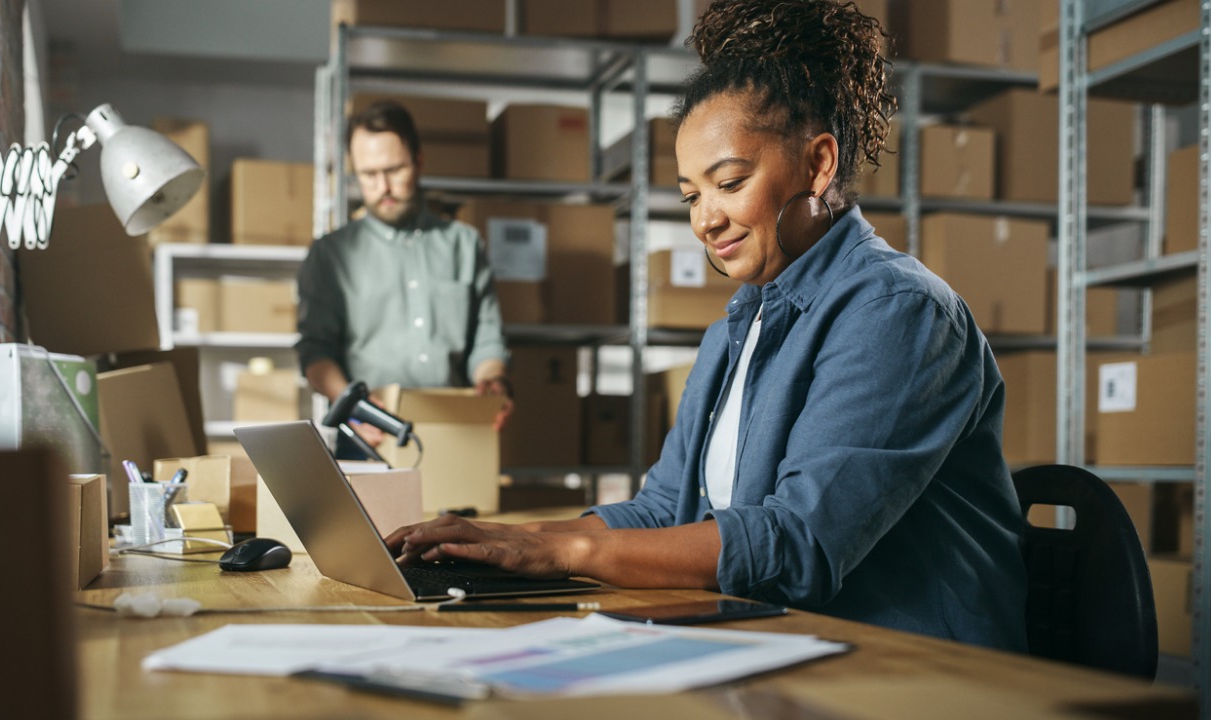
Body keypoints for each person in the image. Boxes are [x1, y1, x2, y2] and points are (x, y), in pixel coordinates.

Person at [386, 0, 1028, 652]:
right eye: (692, 195)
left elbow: (797, 544)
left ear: (819, 164)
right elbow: (665, 510)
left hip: (915, 671)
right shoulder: (740, 322)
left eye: (729, 182)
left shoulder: (900, 313)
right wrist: (507, 540)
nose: (705, 220)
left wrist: (559, 553)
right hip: (785, 644)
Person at [296, 100, 512, 453]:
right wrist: (353, 405)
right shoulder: (330, 255)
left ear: (419, 161)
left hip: (456, 435)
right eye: (368, 174)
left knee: (463, 511)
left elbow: (487, 340)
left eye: (394, 170)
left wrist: (492, 381)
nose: (383, 187)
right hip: (370, 437)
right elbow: (315, 353)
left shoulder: (464, 244)